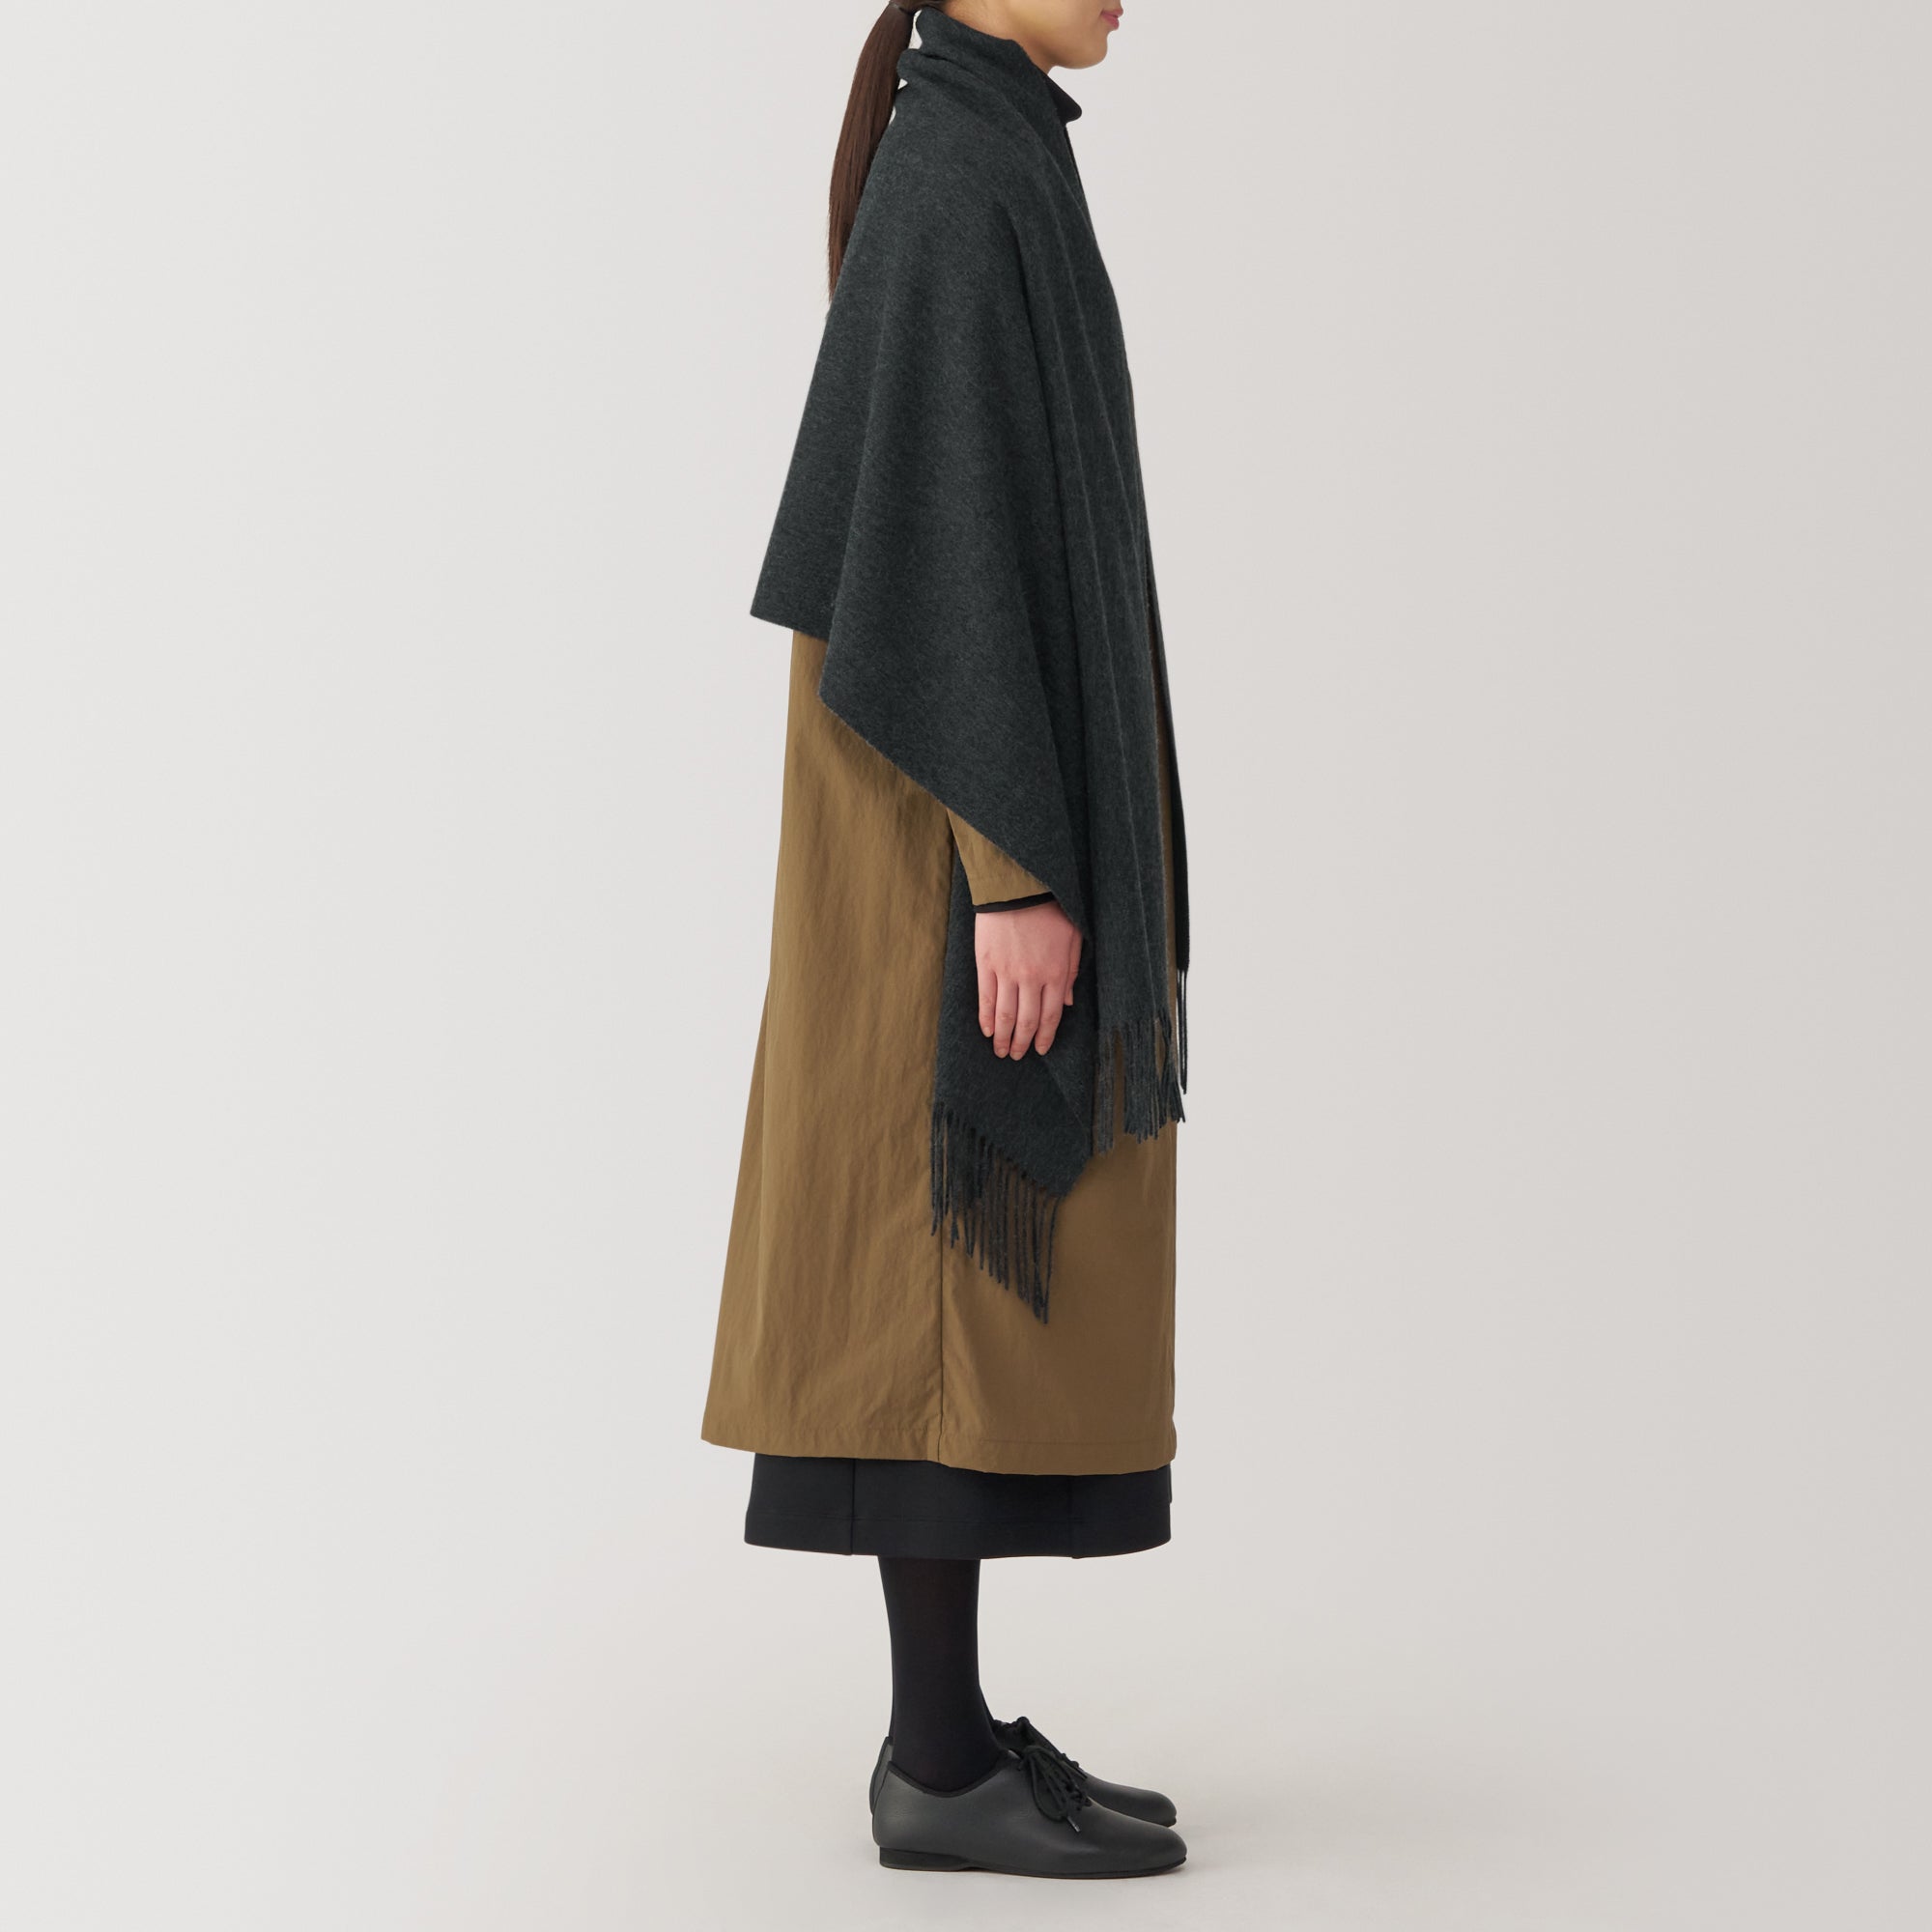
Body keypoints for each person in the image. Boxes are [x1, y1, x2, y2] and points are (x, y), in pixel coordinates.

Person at [700, 0, 1193, 1880]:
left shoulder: (990, 146)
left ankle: (956, 1732)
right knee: (931, 1276)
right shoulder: (954, 169)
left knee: (955, 1299)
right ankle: (932, 1762)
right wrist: (1012, 874)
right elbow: (940, 541)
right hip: (938, 838)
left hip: (952, 822)